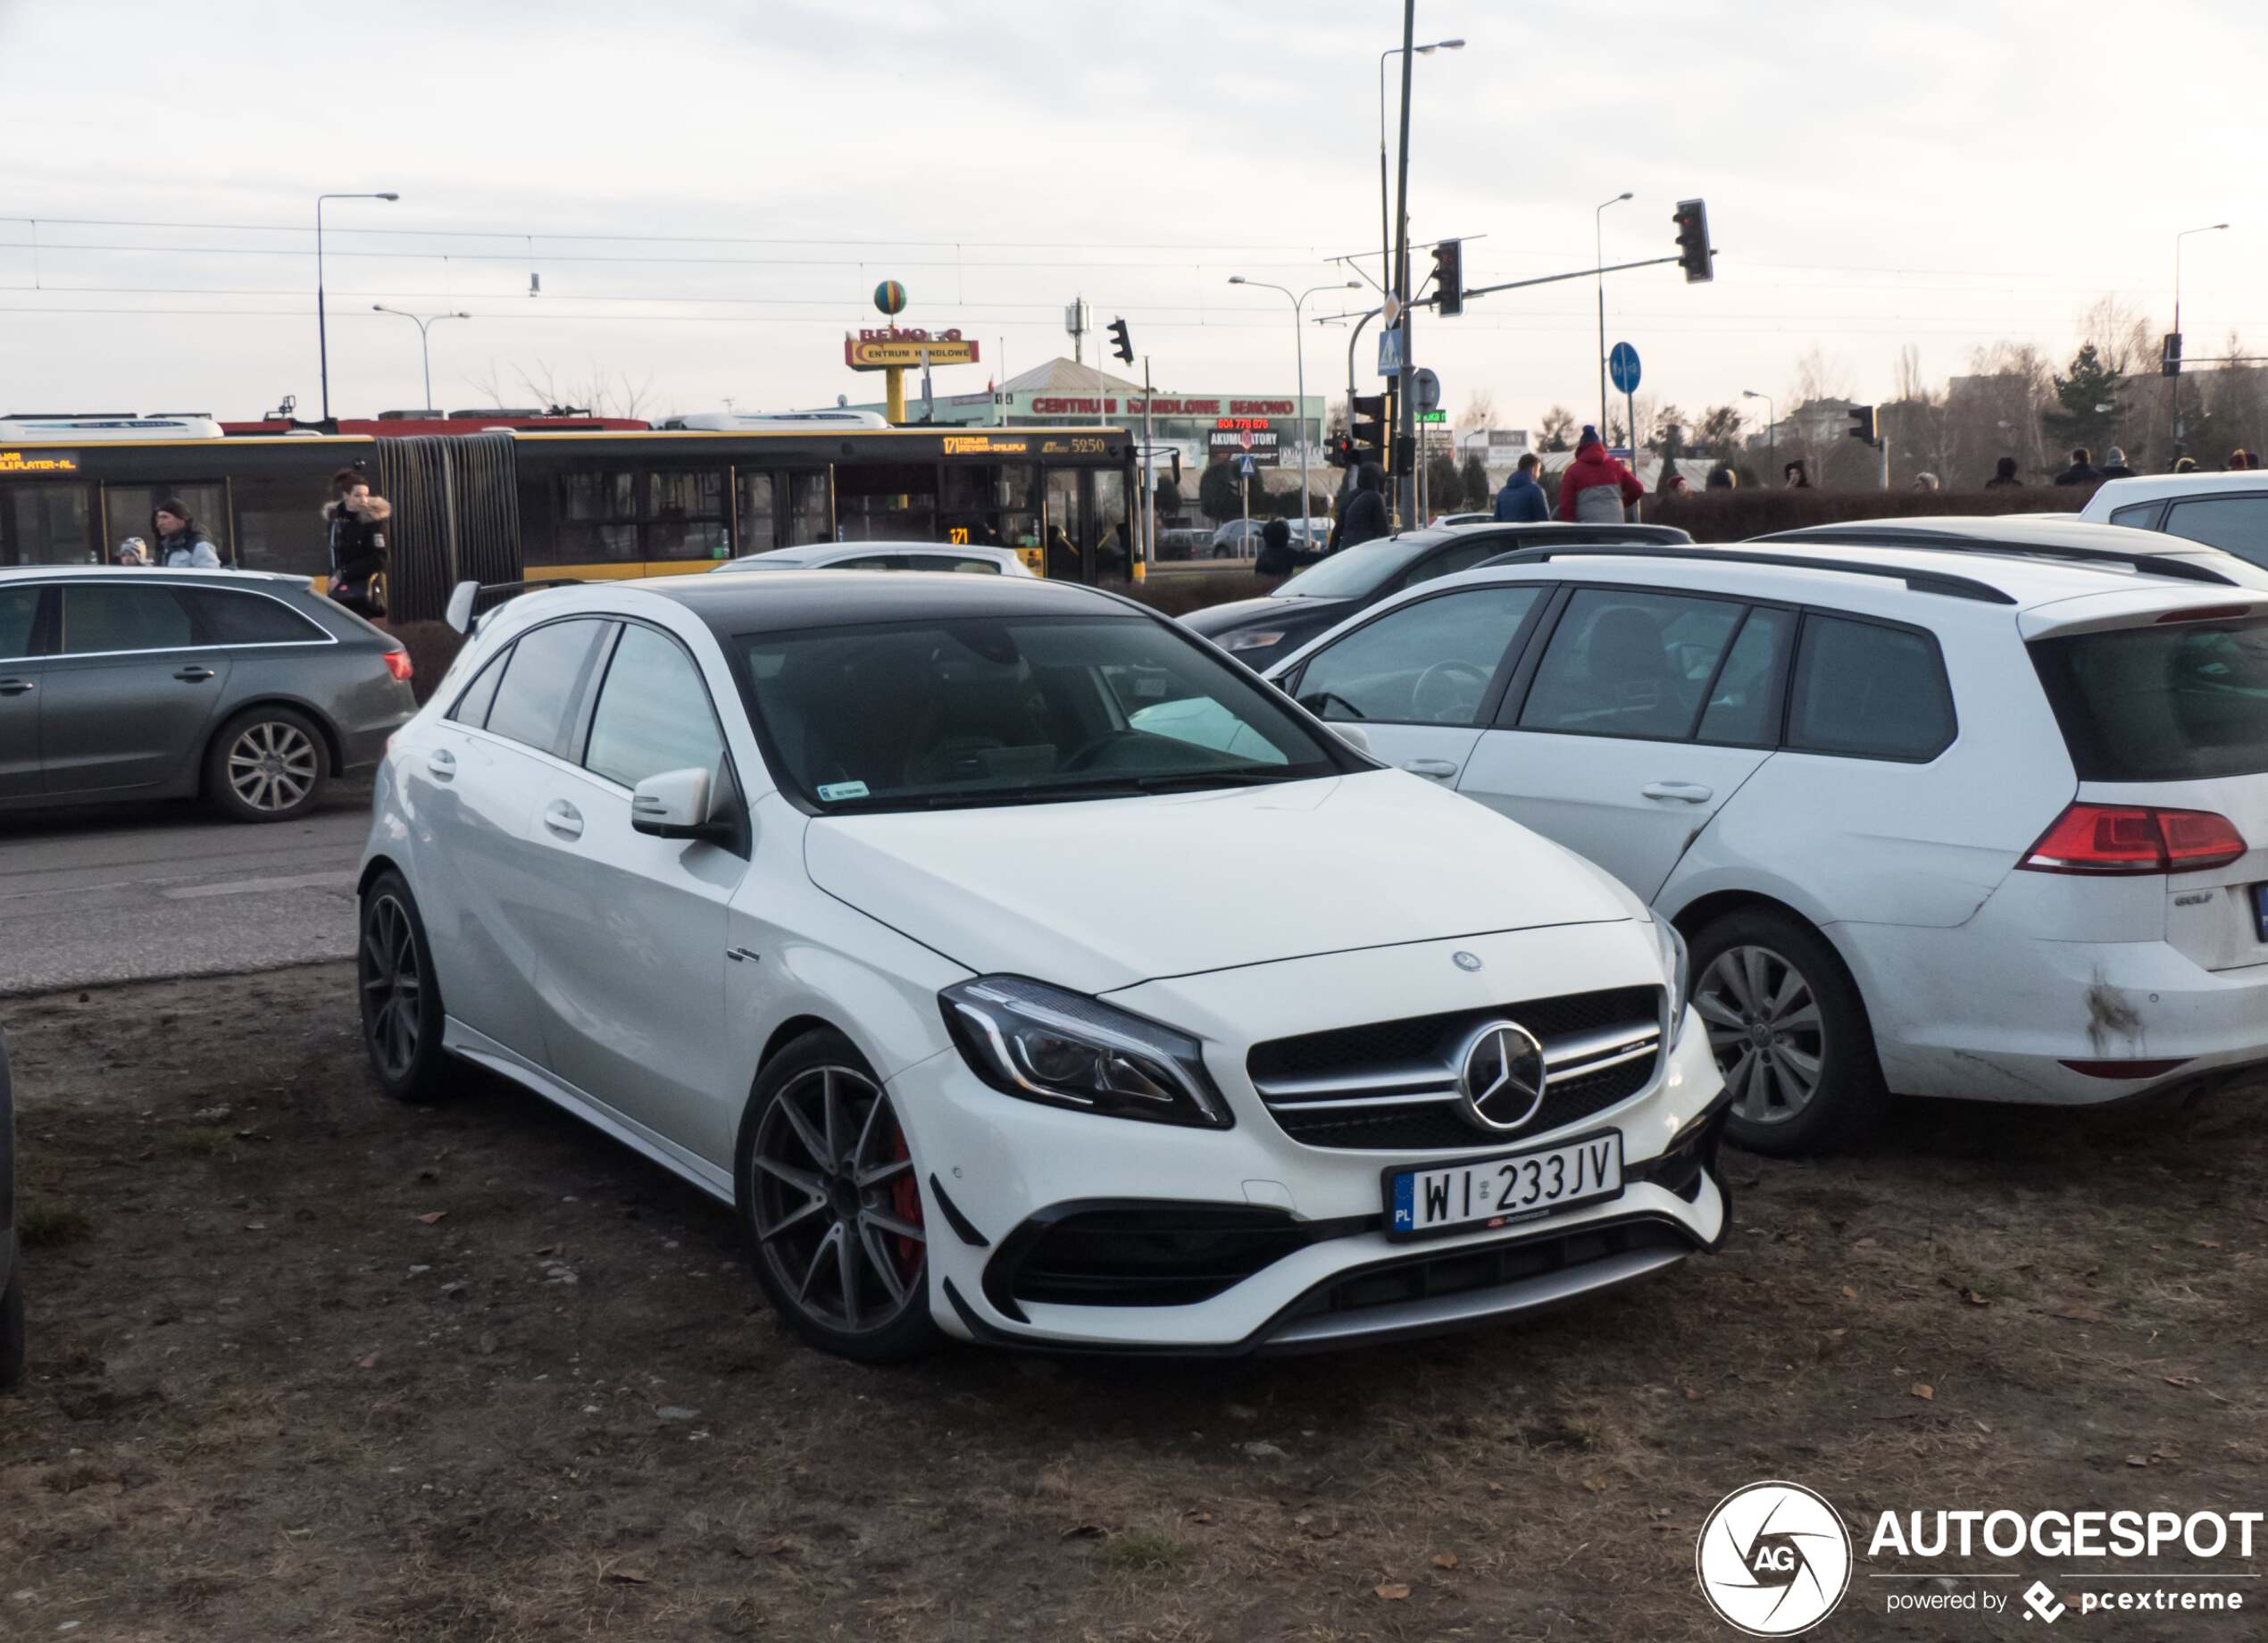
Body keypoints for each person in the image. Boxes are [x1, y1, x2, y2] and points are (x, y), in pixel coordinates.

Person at [323, 467, 392, 617]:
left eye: (366, 495)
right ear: (346, 496)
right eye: (358, 496)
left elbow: (379, 559)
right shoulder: (335, 521)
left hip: (365, 594)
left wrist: (343, 573)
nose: (364, 500)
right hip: (339, 593)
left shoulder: (373, 520)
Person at [1556, 427, 1646, 521]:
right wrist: (1620, 503)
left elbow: (1566, 507)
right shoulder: (1616, 467)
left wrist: (1571, 530)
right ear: (1600, 446)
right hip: (1616, 528)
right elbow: (1638, 489)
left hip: (1587, 531)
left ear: (1581, 448)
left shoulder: (1572, 471)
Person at [151, 498, 221, 567]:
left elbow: (209, 576)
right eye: (158, 518)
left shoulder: (199, 545)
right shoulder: (165, 546)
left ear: (182, 519)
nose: (159, 523)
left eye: (165, 517)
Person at [1337, 462, 1390, 548]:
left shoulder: (1348, 496)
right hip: (1365, 552)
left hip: (1346, 552)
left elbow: (1337, 530)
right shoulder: (1375, 498)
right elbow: (1384, 531)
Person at [1254, 516, 1322, 583]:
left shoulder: (1262, 558)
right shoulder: (1289, 555)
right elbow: (1310, 558)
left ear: (1265, 538)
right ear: (1286, 536)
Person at [1492, 453, 1549, 522]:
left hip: (1507, 533)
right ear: (1534, 468)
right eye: (1539, 470)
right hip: (1528, 533)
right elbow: (1544, 523)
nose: (1539, 474)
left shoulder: (1502, 493)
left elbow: (1496, 522)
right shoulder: (1536, 490)